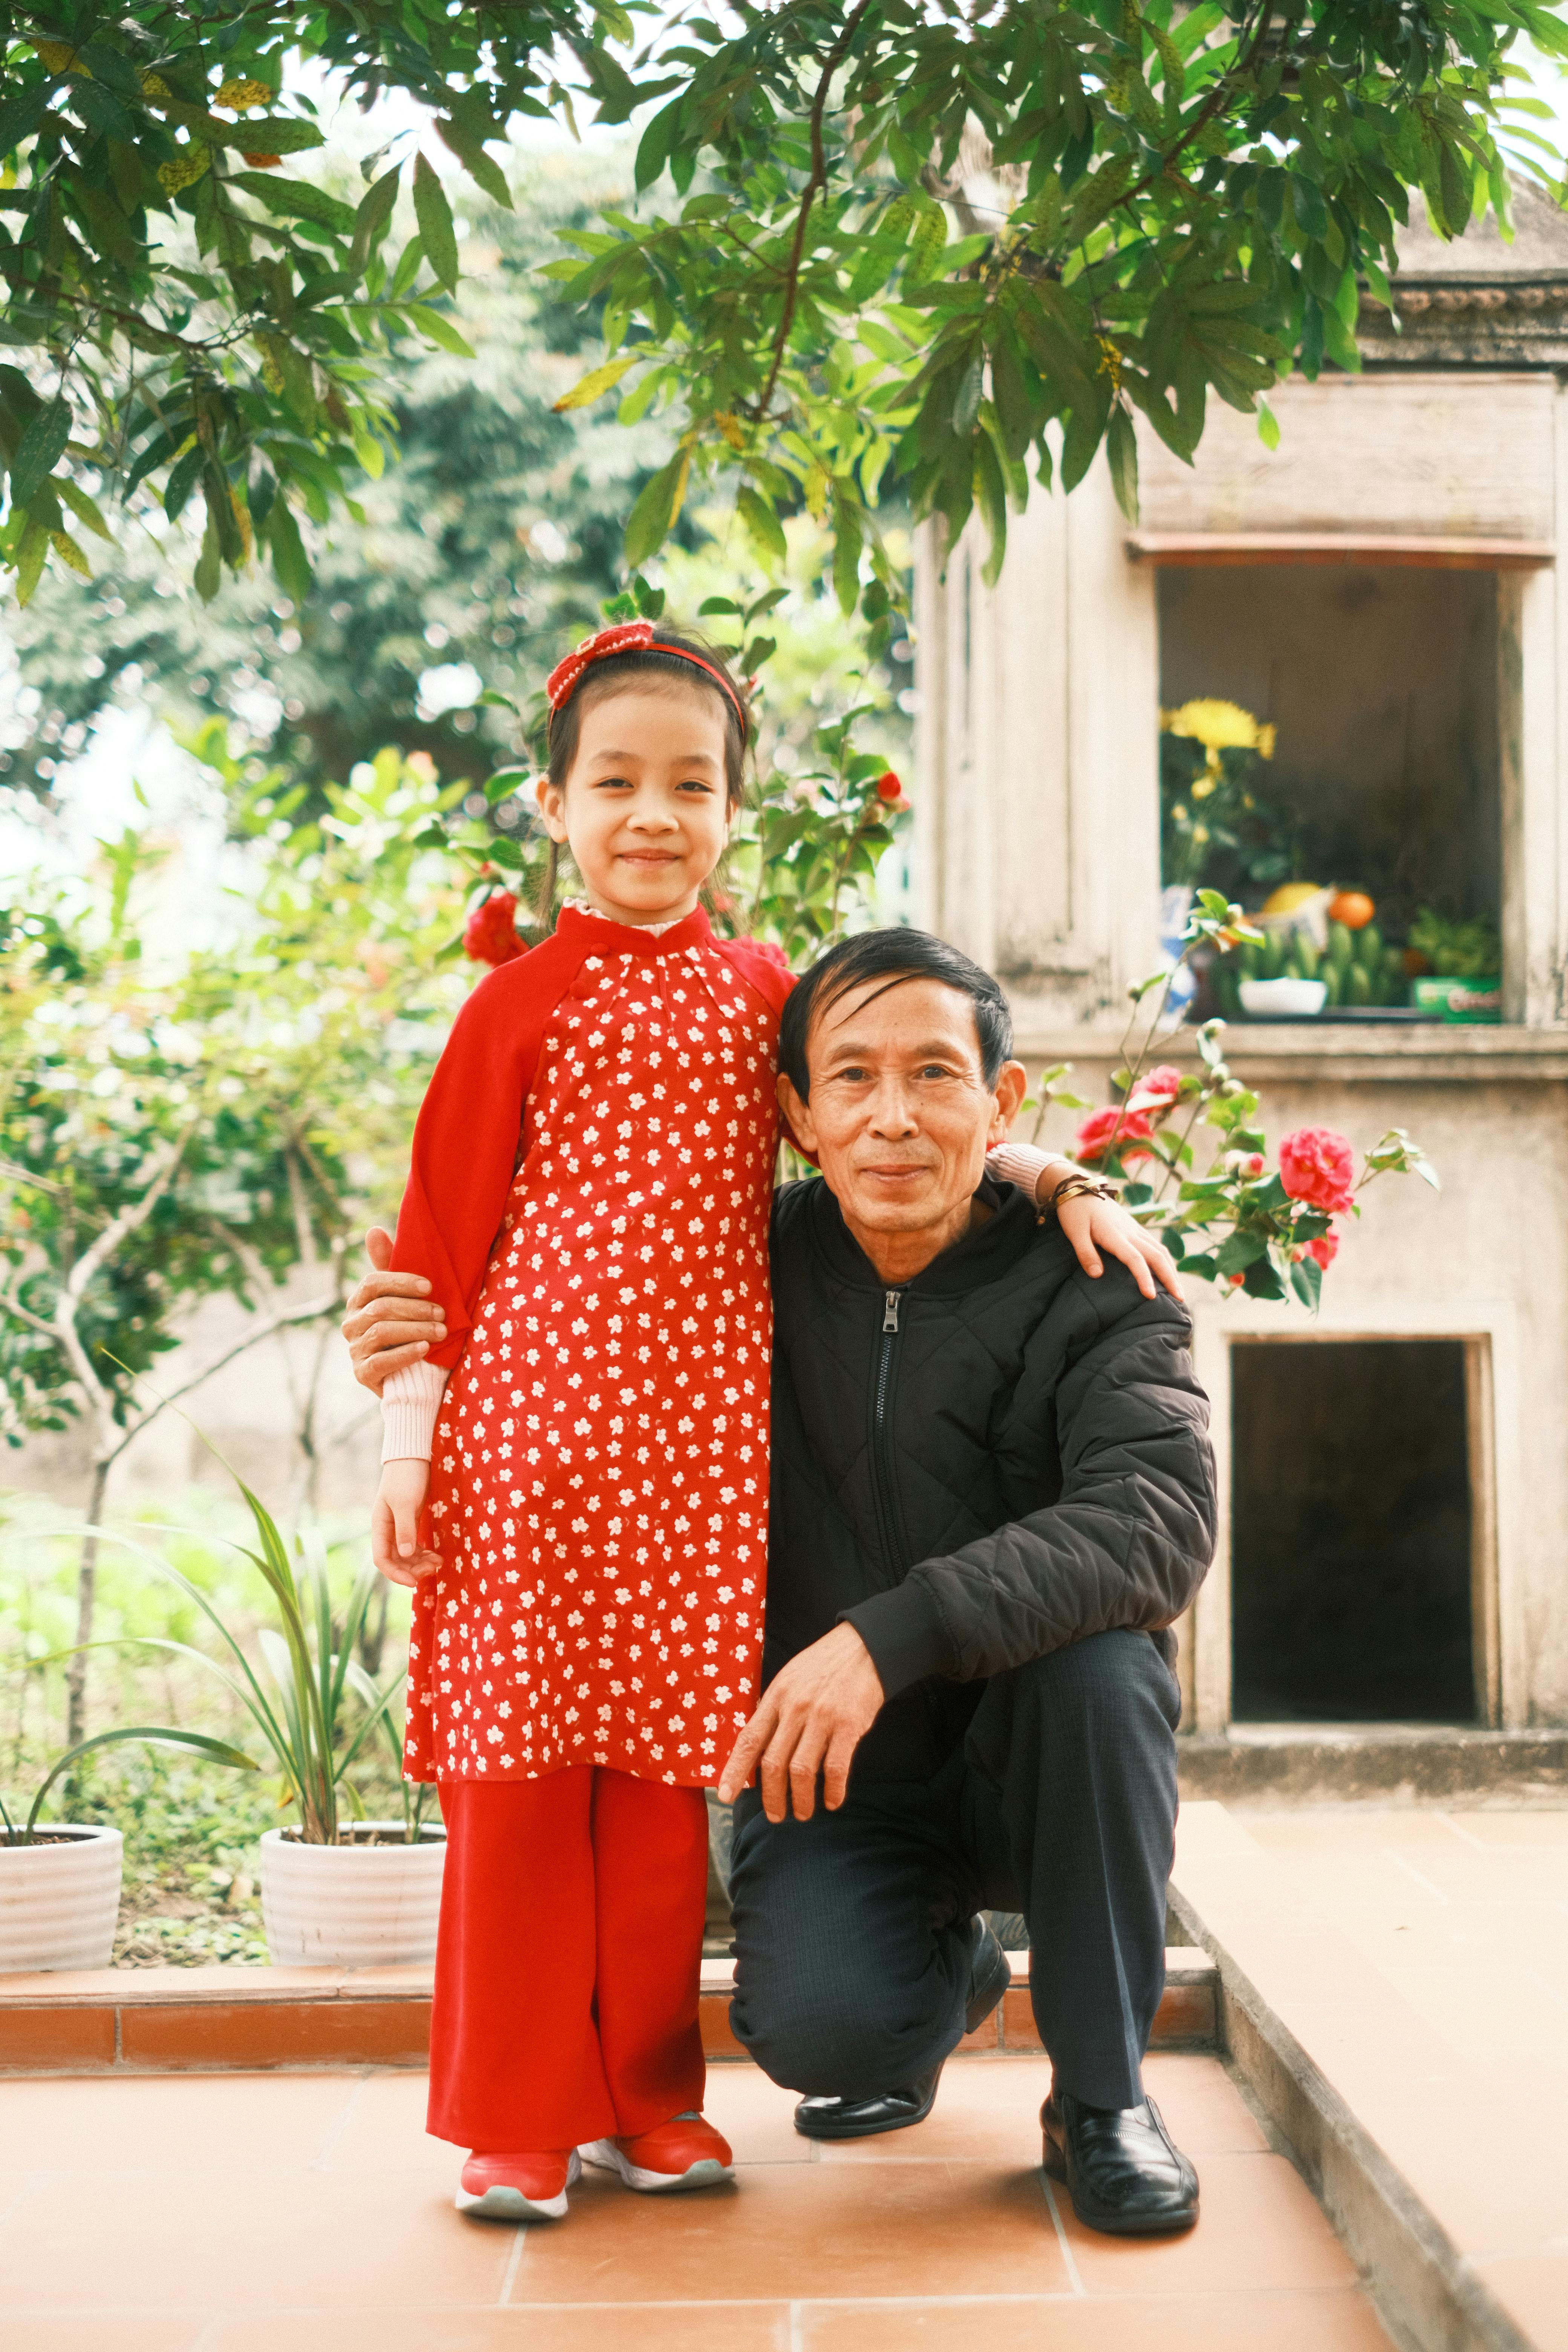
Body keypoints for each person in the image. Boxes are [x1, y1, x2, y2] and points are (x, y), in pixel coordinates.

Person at [350, 625, 1183, 2229]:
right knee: (523, 1798)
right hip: (528, 1463)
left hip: (688, 1481)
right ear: (551, 804)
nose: (651, 815)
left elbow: (900, 1093)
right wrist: (409, 1429)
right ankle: (519, 2118)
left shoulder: (756, 1001)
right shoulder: (511, 1011)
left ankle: (661, 2102)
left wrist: (1043, 1173)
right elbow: (435, 1239)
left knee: (662, 1807)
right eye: (614, 783)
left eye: (689, 786)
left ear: (735, 812)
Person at [711, 930, 1216, 2236]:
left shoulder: (1103, 1283)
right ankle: (947, 1977)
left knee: (1109, 1669)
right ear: (796, 1112)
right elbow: (562, 1323)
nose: (892, 1118)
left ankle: (1101, 2102)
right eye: (852, 1078)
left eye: (935, 1075)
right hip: (841, 1774)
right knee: (825, 2036)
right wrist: (416, 1353)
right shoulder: (730, 1274)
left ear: (1001, 1104)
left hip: (1031, 1746)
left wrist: (893, 1634)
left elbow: (1158, 1517)